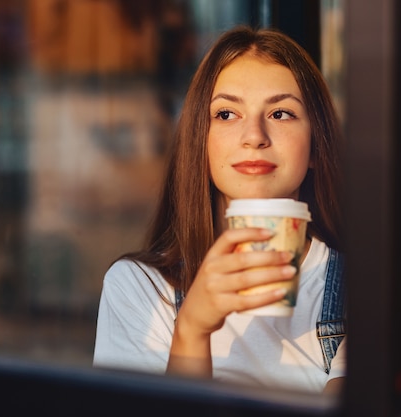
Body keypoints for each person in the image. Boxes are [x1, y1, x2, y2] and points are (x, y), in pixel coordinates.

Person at [93, 26, 346, 395]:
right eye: (226, 114)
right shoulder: (140, 289)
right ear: (200, 141)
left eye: (281, 113)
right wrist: (191, 328)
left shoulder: (367, 286)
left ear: (316, 148)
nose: (254, 136)